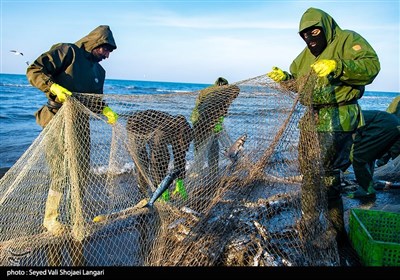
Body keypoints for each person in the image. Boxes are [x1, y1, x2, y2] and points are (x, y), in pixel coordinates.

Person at [267, 7, 380, 248]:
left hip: (339, 116)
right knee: (308, 173)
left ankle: (334, 231)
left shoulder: (347, 39)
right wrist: (285, 79)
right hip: (311, 119)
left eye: (315, 32)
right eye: (305, 35)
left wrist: (337, 66)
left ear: (325, 28)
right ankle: (309, 222)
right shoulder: (305, 55)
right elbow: (299, 85)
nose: (310, 39)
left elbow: (372, 67)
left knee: (327, 174)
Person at [26, 25, 118, 239]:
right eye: (105, 49)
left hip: (80, 124)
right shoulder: (68, 51)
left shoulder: (99, 71)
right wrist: (52, 87)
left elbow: (95, 101)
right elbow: (34, 70)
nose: (106, 55)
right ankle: (51, 219)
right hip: (57, 119)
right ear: (95, 42)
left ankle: (74, 214)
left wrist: (104, 109)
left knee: (81, 172)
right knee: (61, 171)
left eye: (110, 52)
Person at [126, 110, 193, 201]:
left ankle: (154, 188)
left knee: (164, 156)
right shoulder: (162, 134)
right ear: (179, 138)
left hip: (152, 127)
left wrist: (180, 181)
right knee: (143, 163)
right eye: (183, 144)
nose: (185, 147)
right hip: (135, 128)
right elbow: (156, 163)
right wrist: (162, 188)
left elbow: (180, 155)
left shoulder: (183, 130)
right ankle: (143, 192)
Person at [347, 98, 400, 198]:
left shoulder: (343, 122)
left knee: (359, 157)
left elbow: (354, 142)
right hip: (392, 123)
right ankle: (368, 185)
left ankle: (366, 190)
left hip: (384, 125)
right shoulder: (350, 115)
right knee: (369, 157)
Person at [190, 77, 240, 176]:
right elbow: (236, 89)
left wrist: (217, 126)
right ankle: (207, 172)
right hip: (204, 124)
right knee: (208, 150)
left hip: (197, 122)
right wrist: (216, 127)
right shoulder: (221, 95)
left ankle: (201, 172)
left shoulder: (206, 91)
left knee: (201, 149)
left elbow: (199, 108)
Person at [375, 96, 400, 167]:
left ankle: (380, 166)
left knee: (387, 149)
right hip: (396, 128)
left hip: (389, 127)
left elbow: (389, 112)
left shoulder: (397, 98)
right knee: (396, 150)